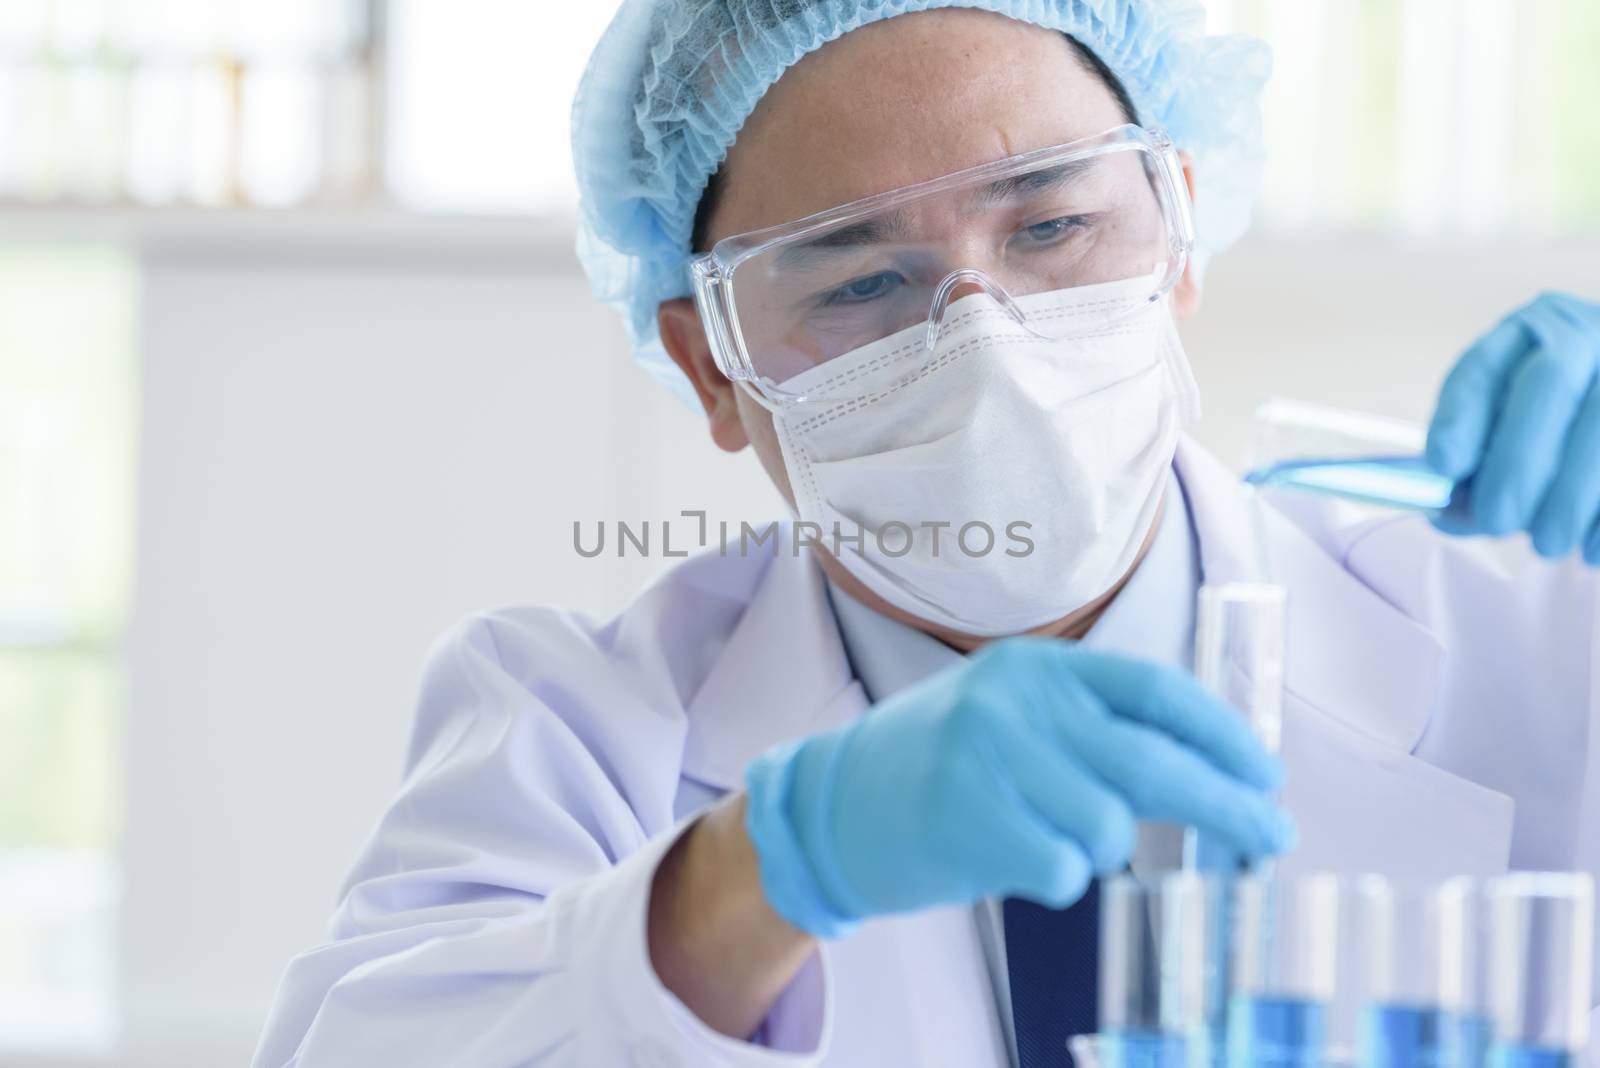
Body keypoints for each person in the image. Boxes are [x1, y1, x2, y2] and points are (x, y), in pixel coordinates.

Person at [252, 1, 1600, 1065]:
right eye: (861, 278)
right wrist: (763, 873)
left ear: (1179, 225)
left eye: (1057, 225)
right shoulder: (578, 736)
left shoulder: (1541, 639)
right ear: (713, 364)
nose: (984, 339)